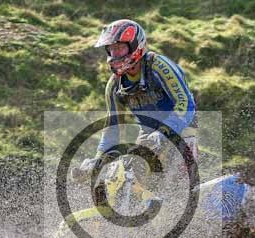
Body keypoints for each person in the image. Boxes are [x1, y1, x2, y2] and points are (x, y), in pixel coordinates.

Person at [74, 19, 197, 181]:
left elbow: (186, 104)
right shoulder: (114, 85)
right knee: (128, 177)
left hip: (181, 128)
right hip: (147, 135)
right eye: (112, 49)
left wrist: (162, 133)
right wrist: (99, 160)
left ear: (135, 46)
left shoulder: (159, 66)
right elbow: (113, 128)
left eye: (120, 48)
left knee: (175, 182)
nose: (115, 54)